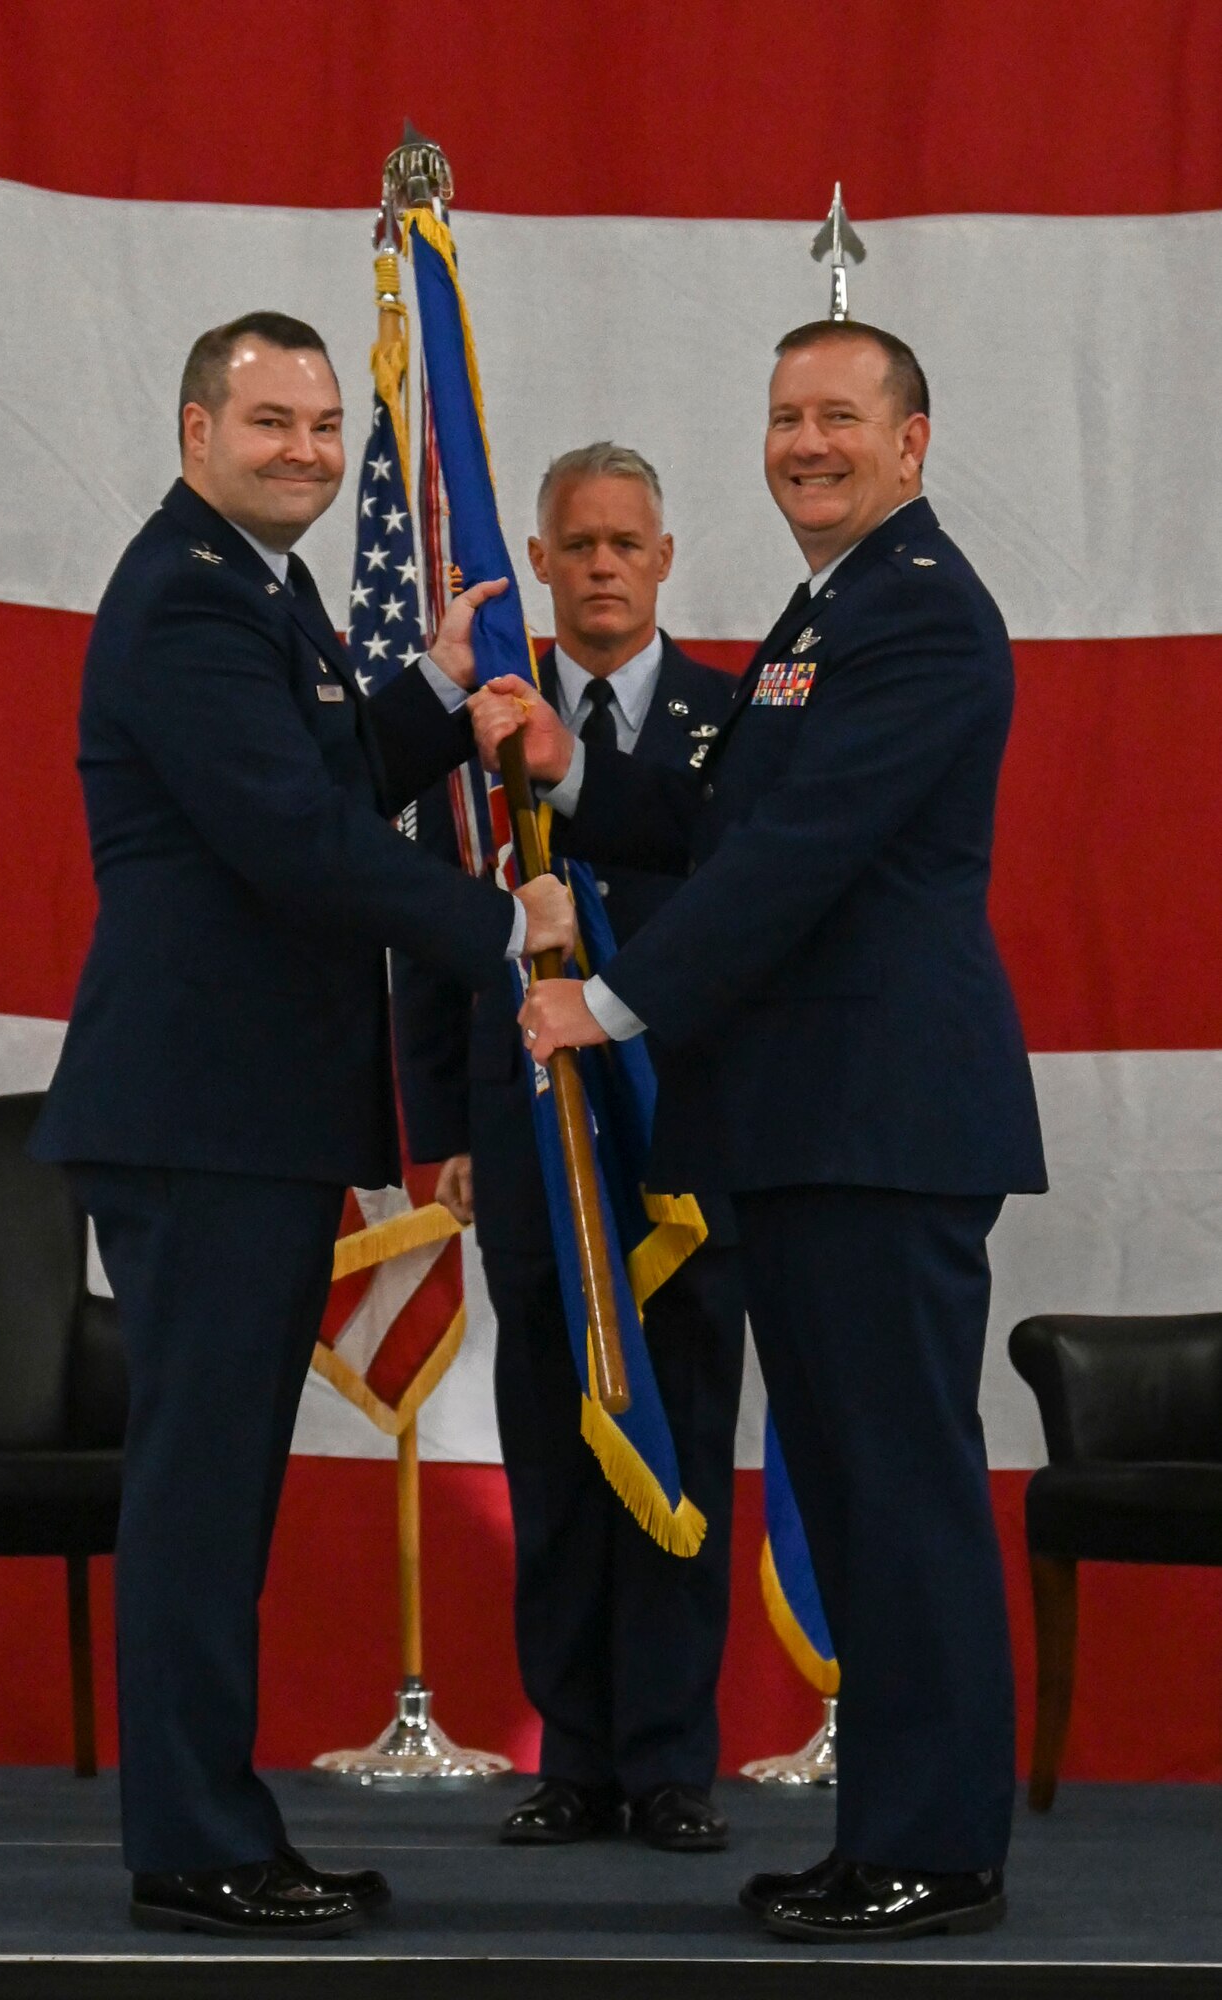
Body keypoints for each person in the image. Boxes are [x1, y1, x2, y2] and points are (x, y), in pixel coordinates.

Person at [472, 323, 1047, 1944]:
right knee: (863, 1490)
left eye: (842, 417)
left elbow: (796, 857)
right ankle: (893, 1836)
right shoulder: (829, 611)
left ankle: (935, 1849)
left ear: (915, 441)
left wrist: (615, 1000)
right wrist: (570, 770)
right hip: (813, 1126)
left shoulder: (921, 611)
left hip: (883, 1122)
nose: (807, 442)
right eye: (787, 416)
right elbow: (719, 813)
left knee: (903, 1492)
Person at [30, 311, 573, 1939]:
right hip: (206, 1113)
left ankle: (211, 1824)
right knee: (199, 1498)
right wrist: (503, 930)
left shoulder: (252, 588)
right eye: (273, 423)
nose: (312, 454)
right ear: (195, 429)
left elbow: (321, 769)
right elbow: (292, 841)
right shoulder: (189, 600)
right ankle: (196, 1845)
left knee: (218, 1492)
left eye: (330, 428)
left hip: (233, 1112)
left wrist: (424, 693)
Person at [394, 445, 746, 1853]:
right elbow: (427, 933)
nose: (602, 566)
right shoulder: (486, 727)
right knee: (550, 1448)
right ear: (534, 563)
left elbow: (754, 923)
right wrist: (444, 1130)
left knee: (684, 1444)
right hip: (526, 1136)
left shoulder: (734, 727)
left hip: (687, 1146)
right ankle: (577, 1757)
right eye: (576, 544)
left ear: (666, 558)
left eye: (626, 543)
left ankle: (669, 1764)